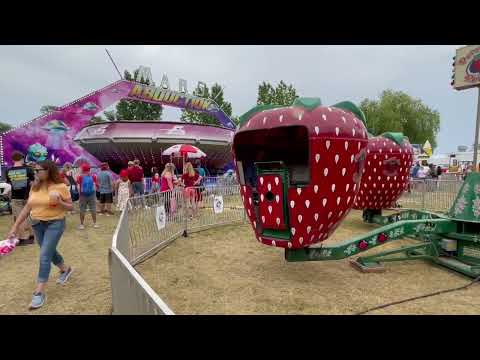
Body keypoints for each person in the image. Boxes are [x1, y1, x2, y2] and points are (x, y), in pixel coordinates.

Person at [7, 160, 73, 310]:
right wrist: (15, 227)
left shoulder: (61, 186)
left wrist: (60, 203)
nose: (35, 173)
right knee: (48, 251)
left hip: (55, 224)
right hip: (37, 224)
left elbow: (70, 207)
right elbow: (27, 208)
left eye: (38, 170)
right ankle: (65, 269)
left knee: (44, 255)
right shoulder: (34, 187)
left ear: (49, 170)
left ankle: (39, 293)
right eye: (35, 170)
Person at [6, 151, 35, 246]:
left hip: (16, 197)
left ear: (13, 159)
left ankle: (22, 239)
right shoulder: (28, 169)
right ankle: (32, 236)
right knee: (28, 216)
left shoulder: (8, 171)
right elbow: (34, 182)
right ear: (22, 158)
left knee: (19, 218)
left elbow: (10, 183)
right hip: (28, 197)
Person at [76, 163, 99, 229]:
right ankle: (95, 223)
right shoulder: (94, 176)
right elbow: (96, 186)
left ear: (82, 169)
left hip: (83, 195)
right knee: (93, 209)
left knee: (82, 209)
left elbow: (78, 186)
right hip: (92, 194)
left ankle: (81, 224)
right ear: (89, 169)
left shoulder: (80, 177)